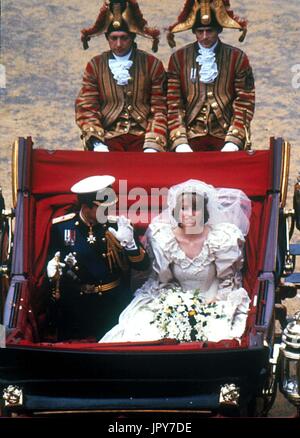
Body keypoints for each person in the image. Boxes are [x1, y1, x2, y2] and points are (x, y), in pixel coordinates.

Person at [99, 179, 251, 343]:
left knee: (216, 334)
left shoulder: (222, 239)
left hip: (212, 301)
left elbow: (227, 283)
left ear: (205, 211)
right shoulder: (163, 238)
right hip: (174, 299)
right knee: (144, 332)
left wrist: (209, 304)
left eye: (195, 209)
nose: (188, 214)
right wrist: (175, 306)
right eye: (183, 208)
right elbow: (163, 282)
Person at [46, 175, 150, 340]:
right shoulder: (63, 227)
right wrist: (52, 272)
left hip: (114, 304)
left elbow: (143, 266)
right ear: (86, 207)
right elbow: (57, 263)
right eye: (103, 209)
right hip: (78, 307)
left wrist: (130, 245)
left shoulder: (118, 226)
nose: (108, 212)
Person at [75, 0, 167, 153]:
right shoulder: (95, 65)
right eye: (113, 38)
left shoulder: (152, 64)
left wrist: (153, 143)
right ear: (107, 38)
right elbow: (86, 107)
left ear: (132, 38)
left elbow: (159, 108)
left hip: (143, 139)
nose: (118, 44)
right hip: (107, 138)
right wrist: (96, 142)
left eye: (124, 38)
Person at [166, 0, 255, 152]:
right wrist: (180, 140)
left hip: (225, 136)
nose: (205, 36)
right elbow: (173, 103)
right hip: (190, 137)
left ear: (218, 30)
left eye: (210, 31)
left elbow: (245, 102)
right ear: (194, 32)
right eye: (200, 31)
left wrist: (234, 140)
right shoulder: (179, 59)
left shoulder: (237, 58)